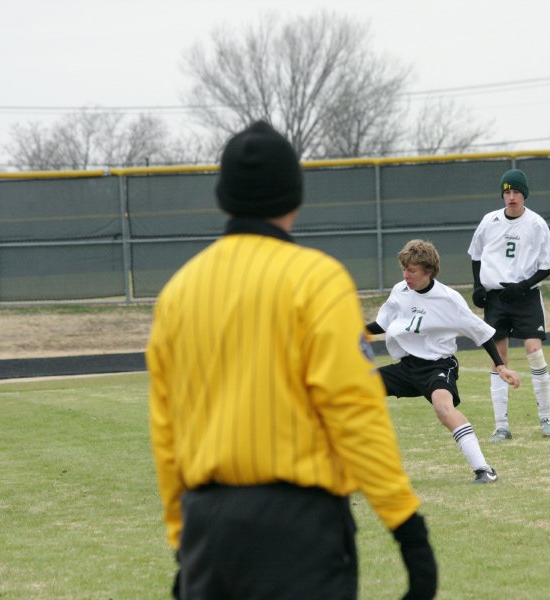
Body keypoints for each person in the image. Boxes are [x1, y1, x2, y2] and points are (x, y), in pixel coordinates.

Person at [147, 121, 437, 600]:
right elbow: (354, 409)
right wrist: (407, 530)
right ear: (294, 196)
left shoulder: (178, 292)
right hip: (300, 529)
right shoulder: (318, 280)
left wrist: (183, 539)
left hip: (208, 527)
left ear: (223, 196)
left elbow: (167, 429)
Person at [366, 239, 520, 483]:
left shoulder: (449, 299)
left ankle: (484, 470)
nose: (406, 275)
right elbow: (382, 324)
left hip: (438, 366)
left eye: (412, 270)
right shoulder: (400, 291)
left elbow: (481, 333)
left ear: (428, 271)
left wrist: (501, 366)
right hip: (407, 367)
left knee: (443, 408)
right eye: (404, 269)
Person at [468, 168, 550, 441]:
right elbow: (476, 255)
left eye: (516, 192)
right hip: (497, 299)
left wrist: (523, 285)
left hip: (525, 296)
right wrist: (478, 287)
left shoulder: (536, 224)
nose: (512, 197)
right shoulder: (489, 221)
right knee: (499, 359)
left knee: (534, 350)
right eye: (507, 192)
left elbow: (547, 266)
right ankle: (501, 425)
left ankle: (546, 418)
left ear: (524, 194)